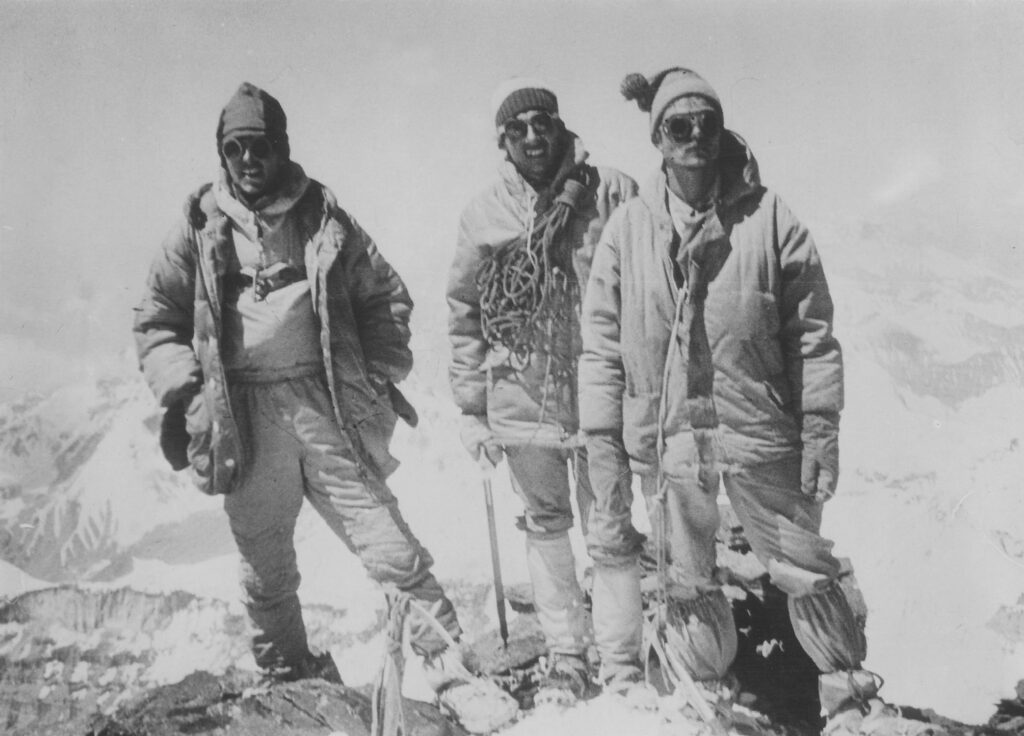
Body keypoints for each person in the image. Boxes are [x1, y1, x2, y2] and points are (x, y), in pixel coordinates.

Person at [133, 83, 516, 731]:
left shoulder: (324, 217)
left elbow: (384, 295)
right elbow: (156, 318)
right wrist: (186, 393)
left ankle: (452, 672)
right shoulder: (198, 227)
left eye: (260, 145)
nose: (249, 159)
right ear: (221, 154)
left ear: (283, 146)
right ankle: (286, 675)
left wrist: (374, 371)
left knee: (388, 544)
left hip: (323, 402)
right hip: (243, 416)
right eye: (236, 148)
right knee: (265, 563)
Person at [578, 67, 942, 735]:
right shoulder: (627, 230)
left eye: (706, 124)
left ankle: (850, 699)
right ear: (657, 138)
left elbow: (812, 335)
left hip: (760, 432)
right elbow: (601, 348)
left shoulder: (770, 217)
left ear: (722, 132)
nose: (694, 137)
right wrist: (603, 441)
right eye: (678, 126)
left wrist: (821, 432)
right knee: (686, 580)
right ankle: (709, 699)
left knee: (803, 564)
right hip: (670, 441)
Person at [446, 78, 637, 706]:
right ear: (502, 141)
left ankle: (622, 664)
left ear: (559, 126)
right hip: (522, 401)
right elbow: (467, 314)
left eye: (542, 122)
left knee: (609, 529)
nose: (532, 135)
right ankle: (565, 658)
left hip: (603, 395)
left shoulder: (611, 193)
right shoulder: (483, 215)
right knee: (545, 526)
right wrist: (473, 411)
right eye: (517, 127)